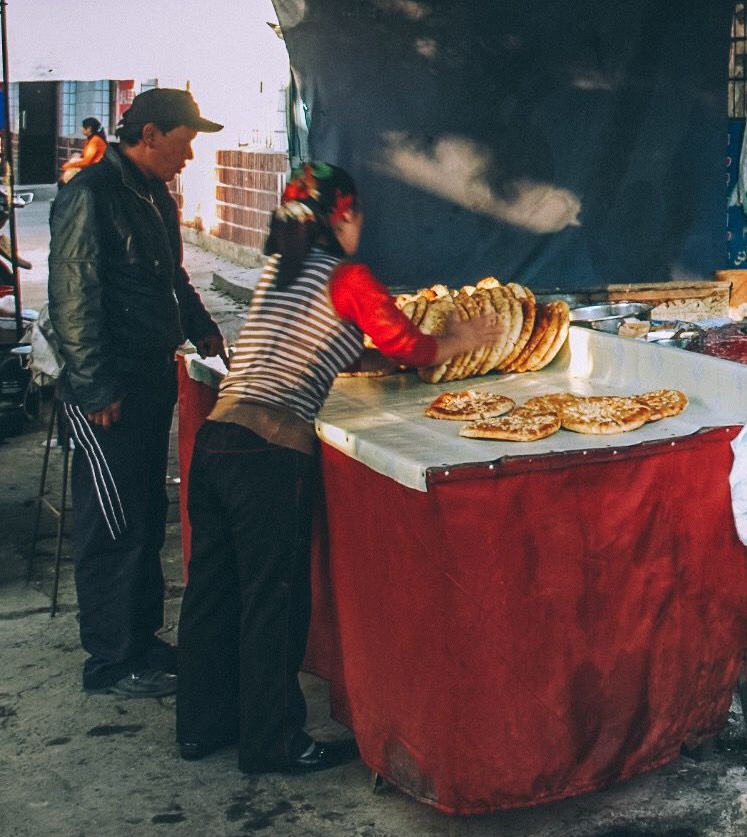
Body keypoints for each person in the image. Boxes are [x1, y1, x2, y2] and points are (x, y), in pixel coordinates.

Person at [174, 162, 497, 773]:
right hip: (268, 456)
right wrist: (463, 337)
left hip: (218, 442)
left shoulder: (280, 270)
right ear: (343, 215)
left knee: (213, 594)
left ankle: (201, 725)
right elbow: (408, 345)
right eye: (359, 216)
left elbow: (343, 347)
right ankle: (272, 743)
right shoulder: (347, 276)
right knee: (273, 602)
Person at [47, 87, 226, 699]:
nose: (191, 156)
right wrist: (95, 383)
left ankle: (142, 642)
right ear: (150, 134)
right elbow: (73, 296)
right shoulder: (90, 193)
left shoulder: (152, 195)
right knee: (112, 526)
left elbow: (172, 276)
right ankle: (112, 662)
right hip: (107, 393)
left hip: (149, 383)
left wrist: (201, 325)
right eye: (185, 142)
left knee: (145, 520)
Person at [60, 117, 107, 184]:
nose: (81, 129)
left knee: (67, 176)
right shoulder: (91, 139)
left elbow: (86, 162)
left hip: (96, 169)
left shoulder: (95, 141)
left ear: (89, 129)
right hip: (93, 166)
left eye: (83, 127)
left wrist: (69, 165)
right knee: (74, 157)